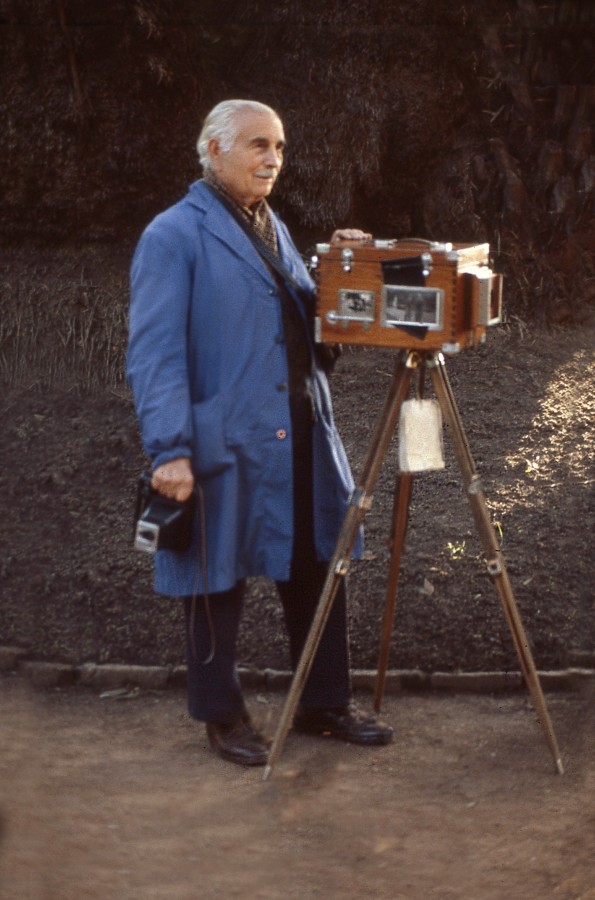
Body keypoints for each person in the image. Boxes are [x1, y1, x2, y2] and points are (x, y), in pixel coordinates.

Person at [127, 99, 393, 766]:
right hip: (222, 441)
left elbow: (318, 340)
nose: (272, 157)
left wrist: (342, 276)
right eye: (256, 144)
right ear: (212, 151)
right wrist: (171, 450)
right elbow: (153, 354)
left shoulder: (271, 228)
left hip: (301, 431)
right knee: (213, 578)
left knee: (315, 567)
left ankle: (323, 704)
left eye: (277, 145)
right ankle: (222, 718)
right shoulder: (172, 235)